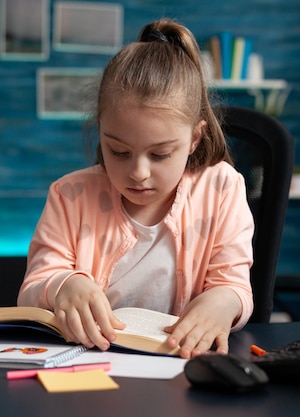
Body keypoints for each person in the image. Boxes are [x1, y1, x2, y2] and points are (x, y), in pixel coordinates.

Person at [17, 18, 254, 359]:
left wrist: (223, 301)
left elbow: (234, 285)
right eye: (119, 152)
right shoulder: (69, 195)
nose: (139, 173)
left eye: (159, 154)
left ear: (194, 139)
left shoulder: (221, 188)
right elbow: (33, 288)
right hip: (90, 366)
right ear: (102, 131)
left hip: (183, 365)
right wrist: (63, 286)